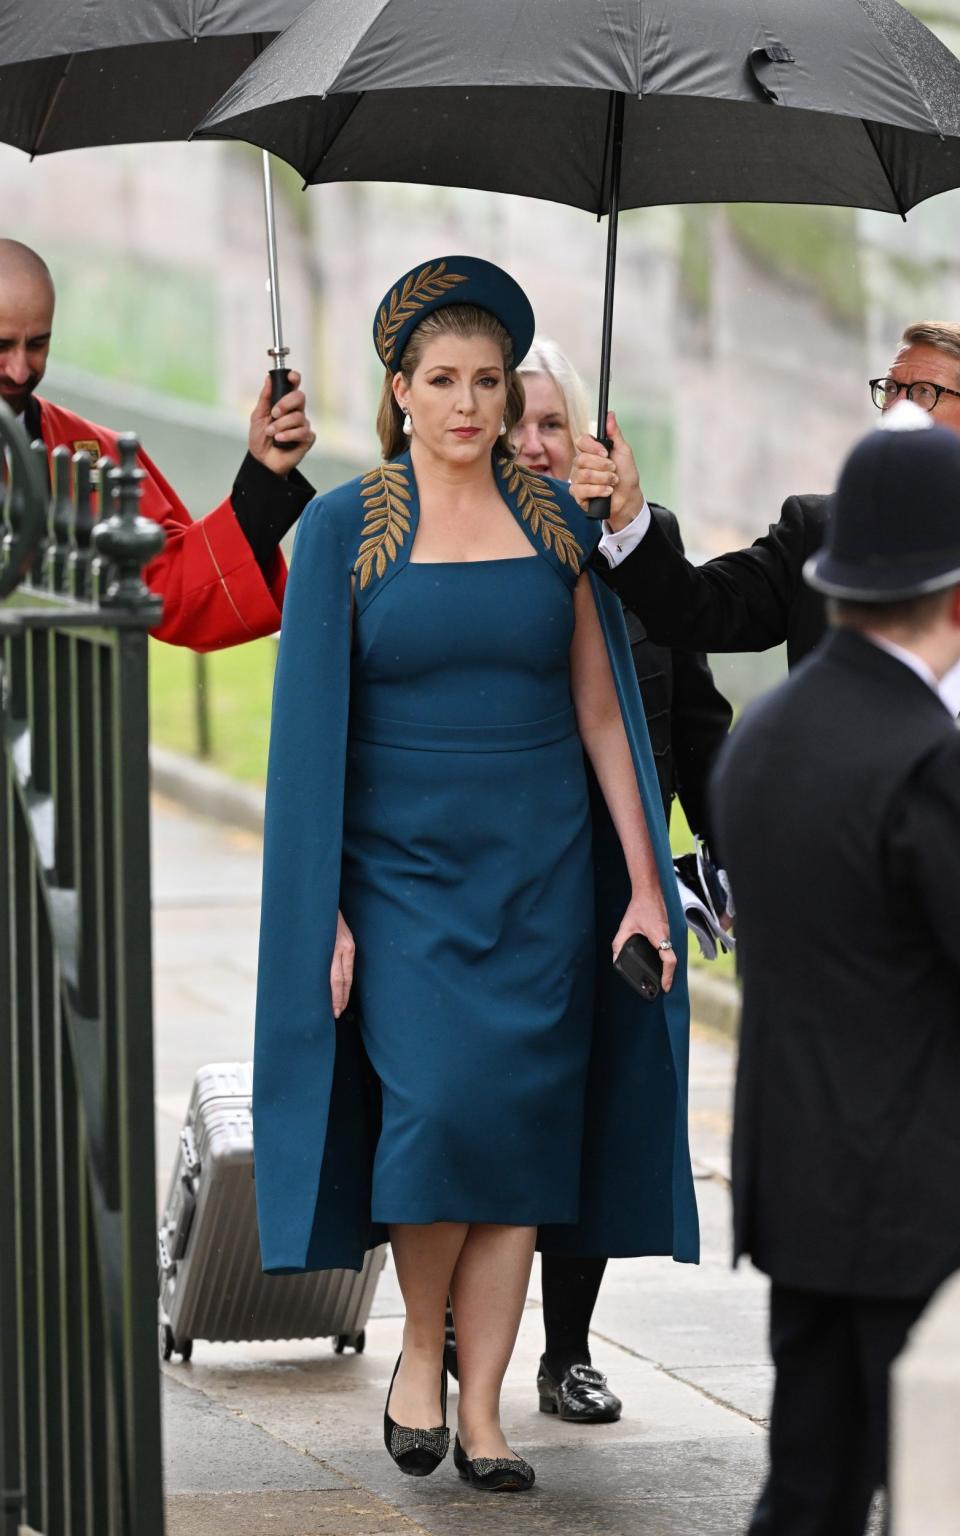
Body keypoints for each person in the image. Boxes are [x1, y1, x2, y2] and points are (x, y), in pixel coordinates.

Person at [253, 257, 699, 1494]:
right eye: (441, 381)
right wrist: (323, 907)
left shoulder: (556, 525)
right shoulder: (344, 526)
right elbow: (304, 746)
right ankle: (417, 1354)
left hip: (543, 872)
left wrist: (645, 885)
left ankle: (489, 1413)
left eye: (489, 382)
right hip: (400, 878)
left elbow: (607, 718)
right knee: (438, 1114)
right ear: (399, 392)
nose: (467, 404)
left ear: (511, 397)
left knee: (519, 1140)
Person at [447, 336, 725, 1425]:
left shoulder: (638, 557)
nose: (533, 440)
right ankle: (449, 1343)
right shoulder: (459, 553)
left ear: (591, 442)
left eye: (553, 423)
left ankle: (566, 1351)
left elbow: (698, 722)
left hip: (620, 886)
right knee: (488, 1105)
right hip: (502, 880)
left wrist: (729, 847)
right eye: (516, 419)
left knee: (604, 1108)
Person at [710, 406, 960, 1536]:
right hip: (916, 1200)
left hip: (800, 1185)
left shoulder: (767, 735)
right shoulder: (924, 759)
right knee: (929, 1487)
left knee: (809, 1483)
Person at [568, 320, 960, 709]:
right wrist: (628, 513)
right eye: (892, 388)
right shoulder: (822, 530)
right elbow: (699, 609)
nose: (896, 405)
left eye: (925, 391)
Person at [0, 238, 316, 648]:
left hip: (63, 706)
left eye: (37, 344)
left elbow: (177, 588)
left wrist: (264, 475)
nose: (21, 370)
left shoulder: (91, 456)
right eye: (2, 346)